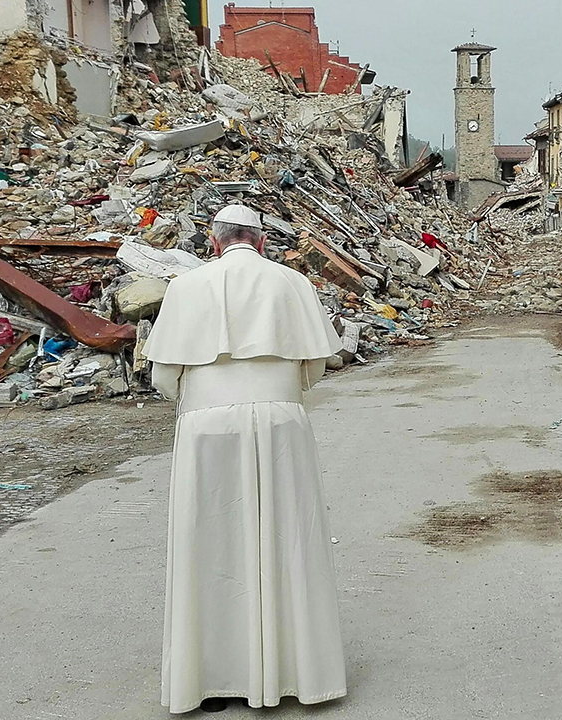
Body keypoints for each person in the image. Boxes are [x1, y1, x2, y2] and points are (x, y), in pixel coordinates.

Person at [142, 204, 347, 714]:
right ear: (260, 242)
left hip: (206, 425)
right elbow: (316, 365)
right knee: (289, 540)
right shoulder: (293, 283)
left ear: (214, 243)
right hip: (281, 420)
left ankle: (210, 679)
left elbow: (164, 377)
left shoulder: (186, 287)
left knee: (209, 546)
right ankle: (298, 676)